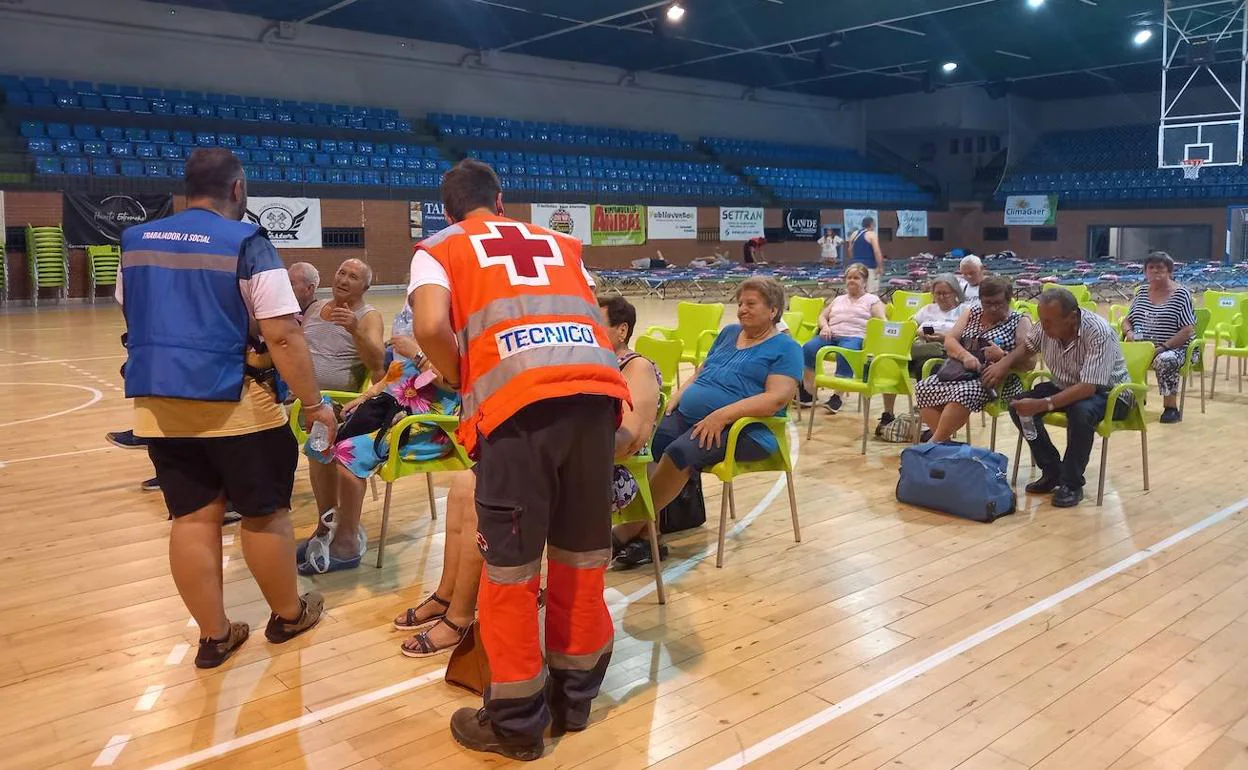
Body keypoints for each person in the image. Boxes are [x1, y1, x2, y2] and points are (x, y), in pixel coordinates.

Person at [409, 159, 631, 761]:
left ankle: (515, 724)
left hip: (517, 409)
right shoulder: (559, 242)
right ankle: (573, 700)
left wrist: (461, 379)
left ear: (447, 210)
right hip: (596, 400)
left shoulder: (440, 247)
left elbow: (430, 325)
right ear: (501, 200)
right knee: (581, 557)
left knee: (509, 572)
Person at [116, 148, 332, 667]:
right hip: (238, 406)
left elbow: (132, 309)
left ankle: (214, 636)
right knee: (264, 514)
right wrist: (313, 403)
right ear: (238, 190)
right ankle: (287, 614)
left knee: (190, 517)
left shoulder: (136, 240)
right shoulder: (247, 242)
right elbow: (282, 335)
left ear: (186, 189)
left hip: (159, 405)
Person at [392, 295, 660, 656]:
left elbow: (632, 438)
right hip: (558, 461)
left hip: (603, 475)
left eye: (593, 323)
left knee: (482, 493)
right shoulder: (578, 361)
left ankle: (458, 618)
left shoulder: (636, 367)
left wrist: (557, 441)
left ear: (621, 330)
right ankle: (446, 594)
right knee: (463, 483)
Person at [645, 277, 801, 523]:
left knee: (680, 452)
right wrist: (680, 393)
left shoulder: (787, 348)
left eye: (751, 303)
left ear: (773, 310)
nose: (742, 309)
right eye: (740, 303)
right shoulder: (729, 333)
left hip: (747, 430)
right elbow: (702, 371)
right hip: (696, 417)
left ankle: (637, 529)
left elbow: (775, 400)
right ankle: (663, 522)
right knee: (653, 440)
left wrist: (722, 415)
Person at [297, 346, 461, 575]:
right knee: (320, 443)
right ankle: (326, 528)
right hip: (389, 412)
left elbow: (457, 380)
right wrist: (363, 398)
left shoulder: (448, 330)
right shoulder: (413, 320)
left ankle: (347, 540)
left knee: (347, 454)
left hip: (429, 425)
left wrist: (417, 354)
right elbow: (390, 379)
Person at [1010, 288, 1130, 508]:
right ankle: (1052, 470)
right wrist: (1001, 366)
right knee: (1018, 405)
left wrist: (1043, 404)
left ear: (1072, 317)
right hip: (1067, 385)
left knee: (1081, 411)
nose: (1043, 327)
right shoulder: (1044, 327)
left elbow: (1088, 388)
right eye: (1042, 320)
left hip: (1111, 394)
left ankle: (1072, 483)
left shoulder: (1098, 332)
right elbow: (1027, 348)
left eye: (1049, 322)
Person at [915, 276, 1032, 442]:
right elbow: (950, 340)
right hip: (962, 372)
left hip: (998, 380)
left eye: (998, 303)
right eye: (987, 303)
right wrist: (965, 355)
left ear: (1009, 299)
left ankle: (935, 443)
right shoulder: (972, 312)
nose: (992, 308)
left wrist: (1003, 356)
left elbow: (1030, 363)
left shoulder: (1020, 321)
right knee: (923, 387)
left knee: (962, 393)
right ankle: (943, 444)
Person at [798, 264, 886, 412]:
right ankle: (809, 392)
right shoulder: (838, 299)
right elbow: (822, 316)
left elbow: (882, 321)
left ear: (864, 281)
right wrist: (825, 327)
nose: (852, 280)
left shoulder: (872, 299)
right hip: (831, 334)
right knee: (808, 348)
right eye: (849, 277)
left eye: (856, 278)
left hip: (855, 336)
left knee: (845, 352)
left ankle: (837, 396)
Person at [1120, 251, 1196, 423]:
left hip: (1176, 348)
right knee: (1117, 355)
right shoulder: (1141, 293)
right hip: (1142, 346)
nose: (1155, 271)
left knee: (1165, 360)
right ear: (1145, 272)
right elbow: (1127, 321)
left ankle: (1170, 408)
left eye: (1160, 268)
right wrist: (1129, 333)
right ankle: (1132, 398)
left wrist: (1162, 348)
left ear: (1169, 271)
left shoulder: (1180, 294)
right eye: (1151, 268)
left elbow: (1187, 330)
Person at [303, 258, 385, 392]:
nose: (343, 281)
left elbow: (377, 365)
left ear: (365, 288)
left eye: (353, 277)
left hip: (332, 402)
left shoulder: (369, 317)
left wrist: (356, 331)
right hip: (294, 393)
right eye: (341, 273)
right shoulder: (315, 307)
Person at [846, 216, 883, 294]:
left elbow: (849, 250)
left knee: (857, 292)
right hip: (869, 267)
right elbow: (877, 251)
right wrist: (880, 267)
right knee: (871, 293)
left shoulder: (854, 234)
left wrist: (854, 261)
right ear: (872, 224)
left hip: (855, 267)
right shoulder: (872, 234)